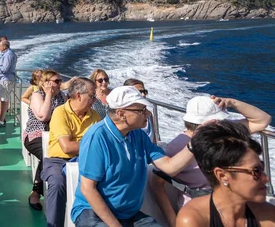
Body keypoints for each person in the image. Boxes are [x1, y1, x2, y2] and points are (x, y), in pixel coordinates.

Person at [72, 86, 200, 227]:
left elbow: (169, 167)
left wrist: (195, 143)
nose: (148, 114)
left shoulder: (138, 135)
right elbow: (88, 189)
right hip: (93, 213)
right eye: (141, 110)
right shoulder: (97, 137)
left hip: (128, 214)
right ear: (121, 114)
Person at [150, 95, 272, 227]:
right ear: (212, 123)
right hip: (201, 207)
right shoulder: (179, 146)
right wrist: (173, 221)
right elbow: (156, 182)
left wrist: (232, 102)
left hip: (236, 202)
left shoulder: (224, 134)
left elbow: (262, 120)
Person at [176, 121, 275, 227]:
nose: (266, 178)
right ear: (222, 176)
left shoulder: (267, 214)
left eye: (262, 167)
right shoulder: (194, 219)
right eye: (256, 171)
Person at [42, 77, 100, 227]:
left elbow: (102, 144)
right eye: (92, 96)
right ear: (79, 95)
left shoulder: (95, 116)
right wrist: (92, 145)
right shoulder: (60, 112)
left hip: (87, 160)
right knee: (57, 183)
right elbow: (66, 147)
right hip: (58, 161)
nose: (95, 100)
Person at [22, 70, 66, 211]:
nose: (60, 84)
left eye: (60, 81)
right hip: (35, 135)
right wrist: (48, 94)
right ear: (46, 83)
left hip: (55, 136)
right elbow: (43, 117)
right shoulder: (37, 95)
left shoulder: (62, 96)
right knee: (48, 155)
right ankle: (36, 192)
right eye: (57, 81)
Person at [0, 39, 17, 127]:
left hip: (6, 79)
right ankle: (1, 119)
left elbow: (5, 69)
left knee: (4, 100)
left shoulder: (8, 55)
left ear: (4, 46)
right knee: (3, 100)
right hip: (3, 79)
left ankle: (1, 121)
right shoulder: (4, 54)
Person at [123, 78, 156, 142]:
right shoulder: (125, 118)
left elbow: (154, 141)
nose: (143, 95)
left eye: (144, 92)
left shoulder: (149, 115)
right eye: (139, 92)